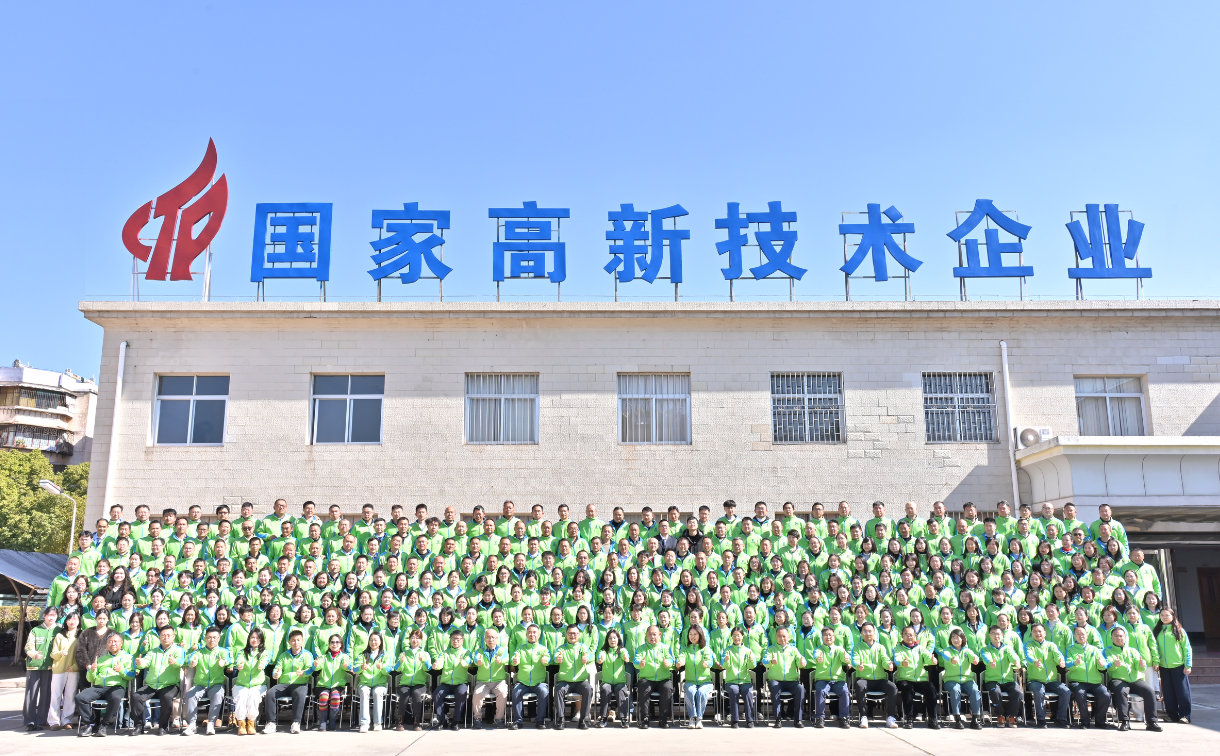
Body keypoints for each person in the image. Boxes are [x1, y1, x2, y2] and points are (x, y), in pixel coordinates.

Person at [74, 631, 134, 737]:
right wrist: (92, 670)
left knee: (115, 698)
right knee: (80, 697)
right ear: (107, 644)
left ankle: (104, 725)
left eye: (115, 641)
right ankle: (90, 724)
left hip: (116, 687)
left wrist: (121, 670)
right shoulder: (101, 659)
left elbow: (131, 676)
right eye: (110, 642)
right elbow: (90, 679)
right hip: (99, 686)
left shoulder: (128, 658)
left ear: (121, 643)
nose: (113, 644)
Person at [130, 625, 185, 735]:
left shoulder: (178, 650)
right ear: (159, 637)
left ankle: (163, 726)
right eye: (163, 635)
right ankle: (139, 726)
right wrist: (140, 663)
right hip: (152, 685)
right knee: (136, 697)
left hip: (169, 684)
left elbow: (181, 662)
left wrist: (175, 662)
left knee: (167, 697)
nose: (166, 637)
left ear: (173, 637)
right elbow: (145, 662)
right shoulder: (153, 652)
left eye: (168, 635)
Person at [1106, 627, 1162, 732]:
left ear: (1125, 637)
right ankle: (1125, 721)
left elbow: (1139, 667)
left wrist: (1142, 665)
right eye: (1116, 636)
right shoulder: (1107, 651)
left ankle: (1151, 722)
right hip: (1118, 679)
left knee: (1149, 691)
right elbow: (1107, 667)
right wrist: (1114, 665)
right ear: (1111, 637)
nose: (1119, 638)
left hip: (1135, 680)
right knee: (1121, 691)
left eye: (1121, 636)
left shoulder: (1132, 651)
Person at [265, 628, 314, 734]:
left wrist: (303, 673)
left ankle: (296, 723)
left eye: (298, 640)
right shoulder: (284, 655)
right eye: (293, 640)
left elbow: (310, 669)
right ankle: (271, 723)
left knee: (300, 694)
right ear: (289, 642)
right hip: (284, 684)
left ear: (302, 641)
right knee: (270, 693)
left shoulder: (307, 655)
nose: (296, 642)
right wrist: (276, 674)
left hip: (300, 684)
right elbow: (277, 668)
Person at [183, 626, 229, 736]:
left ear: (218, 638)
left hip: (216, 684)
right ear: (205, 639)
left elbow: (227, 659)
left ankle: (211, 723)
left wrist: (223, 662)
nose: (212, 640)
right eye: (209, 637)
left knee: (218, 695)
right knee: (189, 695)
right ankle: (192, 724)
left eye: (214, 637)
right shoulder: (198, 652)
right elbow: (190, 660)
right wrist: (192, 663)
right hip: (200, 684)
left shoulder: (223, 651)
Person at [1064, 625, 1112, 730]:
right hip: (1078, 682)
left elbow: (1103, 665)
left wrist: (1101, 665)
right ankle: (1085, 722)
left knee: (1106, 695)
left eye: (1082, 633)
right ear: (1074, 636)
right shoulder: (1070, 649)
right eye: (1078, 634)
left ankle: (1100, 721)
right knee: (1080, 694)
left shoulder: (1095, 649)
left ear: (1087, 635)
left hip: (1095, 682)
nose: (1081, 636)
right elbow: (1067, 665)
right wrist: (1075, 663)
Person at [852, 623, 898, 729]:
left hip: (879, 680)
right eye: (865, 631)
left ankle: (890, 717)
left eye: (870, 631)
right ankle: (863, 716)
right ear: (861, 633)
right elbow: (854, 661)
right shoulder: (857, 648)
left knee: (892, 687)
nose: (868, 633)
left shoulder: (880, 647)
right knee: (859, 685)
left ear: (874, 633)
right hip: (864, 679)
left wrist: (888, 665)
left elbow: (885, 660)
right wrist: (858, 666)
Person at [1024, 623, 1069, 728]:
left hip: (1051, 681)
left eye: (1040, 631)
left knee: (1066, 691)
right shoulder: (1028, 645)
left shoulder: (1051, 645)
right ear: (1032, 633)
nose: (1037, 633)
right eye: (1035, 631)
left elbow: (1058, 655)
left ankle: (1061, 718)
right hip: (1035, 680)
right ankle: (1041, 719)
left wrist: (1060, 661)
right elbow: (1028, 656)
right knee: (1039, 691)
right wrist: (1034, 662)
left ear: (1045, 633)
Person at [893, 625, 938, 729]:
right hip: (905, 679)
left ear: (915, 636)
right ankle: (909, 718)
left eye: (911, 635)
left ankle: (932, 718)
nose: (909, 637)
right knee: (907, 689)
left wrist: (932, 660)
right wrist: (902, 663)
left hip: (920, 679)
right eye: (906, 634)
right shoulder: (898, 649)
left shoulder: (921, 648)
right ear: (902, 636)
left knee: (931, 688)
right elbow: (896, 660)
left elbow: (927, 658)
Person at [23, 605, 59, 730]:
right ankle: (29, 721)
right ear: (44, 616)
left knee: (46, 695)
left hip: (50, 667)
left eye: (54, 615)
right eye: (49, 615)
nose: (51, 617)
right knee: (31, 695)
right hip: (34, 667)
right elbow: (28, 647)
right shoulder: (35, 630)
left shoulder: (59, 630)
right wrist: (34, 654)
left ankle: (41, 720)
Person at [938, 628, 982, 729]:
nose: (955, 640)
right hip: (951, 679)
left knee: (975, 690)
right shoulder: (947, 650)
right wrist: (951, 660)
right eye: (953, 637)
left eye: (957, 637)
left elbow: (973, 657)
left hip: (967, 679)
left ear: (962, 639)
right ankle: (957, 719)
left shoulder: (967, 651)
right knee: (955, 690)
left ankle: (975, 719)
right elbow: (946, 657)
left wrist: (975, 659)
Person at [553, 624, 594, 729]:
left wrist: (586, 658)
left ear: (579, 635)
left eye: (575, 633)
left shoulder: (583, 647)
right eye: (570, 633)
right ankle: (561, 719)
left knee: (588, 689)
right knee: (558, 689)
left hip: (580, 681)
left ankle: (583, 719)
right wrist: (557, 659)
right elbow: (555, 657)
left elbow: (588, 655)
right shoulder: (561, 648)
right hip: (565, 681)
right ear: (566, 635)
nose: (572, 636)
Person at [1155, 607, 1192, 723]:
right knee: (1168, 693)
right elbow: (1155, 648)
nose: (1164, 617)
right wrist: (1156, 662)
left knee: (1182, 692)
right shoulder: (1157, 631)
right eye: (1162, 615)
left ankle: (1185, 715)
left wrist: (1188, 664)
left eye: (1167, 615)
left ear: (1172, 616)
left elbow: (1186, 648)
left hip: (1178, 666)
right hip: (1164, 667)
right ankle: (1172, 716)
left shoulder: (1179, 630)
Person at [980, 625, 1023, 727]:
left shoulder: (1008, 648)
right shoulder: (985, 649)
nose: (996, 636)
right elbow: (986, 658)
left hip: (1008, 680)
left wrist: (1016, 661)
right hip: (993, 680)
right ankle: (1000, 715)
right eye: (993, 634)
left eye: (998, 634)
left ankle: (1011, 716)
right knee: (995, 692)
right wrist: (990, 662)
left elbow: (1013, 656)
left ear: (1002, 635)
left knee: (1018, 692)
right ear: (989, 636)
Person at [763, 626, 805, 728]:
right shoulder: (771, 649)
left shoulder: (794, 650)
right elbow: (765, 661)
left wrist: (802, 662)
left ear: (789, 637)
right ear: (775, 637)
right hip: (776, 680)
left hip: (792, 681)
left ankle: (798, 720)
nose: (782, 638)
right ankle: (778, 719)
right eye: (779, 636)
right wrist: (771, 661)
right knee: (774, 688)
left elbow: (800, 661)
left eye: (784, 636)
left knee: (800, 689)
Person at [511, 623, 551, 730]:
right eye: (529, 632)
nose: (532, 634)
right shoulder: (520, 649)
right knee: (515, 692)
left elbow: (548, 659)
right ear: (526, 634)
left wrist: (546, 661)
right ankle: (518, 721)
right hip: (523, 682)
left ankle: (540, 720)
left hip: (538, 682)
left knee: (544, 691)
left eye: (534, 632)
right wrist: (515, 661)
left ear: (539, 635)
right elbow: (515, 659)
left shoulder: (543, 649)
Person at [810, 626, 851, 729]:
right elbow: (816, 657)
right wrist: (818, 659)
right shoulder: (818, 650)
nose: (828, 637)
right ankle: (820, 718)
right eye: (825, 635)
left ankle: (844, 718)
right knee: (820, 691)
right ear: (822, 637)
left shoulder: (839, 649)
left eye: (830, 635)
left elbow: (845, 658)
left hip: (838, 680)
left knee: (845, 691)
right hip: (822, 679)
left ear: (834, 637)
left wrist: (846, 659)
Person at [634, 625, 675, 728]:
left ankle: (663, 719)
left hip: (663, 678)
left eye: (654, 634)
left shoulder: (666, 648)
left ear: (659, 635)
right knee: (643, 688)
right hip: (646, 678)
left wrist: (668, 663)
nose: (652, 637)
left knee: (668, 688)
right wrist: (640, 663)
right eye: (650, 634)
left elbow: (671, 660)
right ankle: (645, 719)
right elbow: (636, 661)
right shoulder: (641, 649)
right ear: (646, 635)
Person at [232, 628, 270, 736]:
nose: (255, 640)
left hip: (258, 685)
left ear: (261, 640)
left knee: (253, 695)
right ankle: (241, 723)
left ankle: (251, 723)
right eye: (252, 637)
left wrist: (261, 665)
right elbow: (239, 660)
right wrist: (240, 665)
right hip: (242, 684)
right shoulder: (242, 652)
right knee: (241, 696)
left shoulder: (264, 652)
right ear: (249, 639)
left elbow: (264, 661)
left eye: (258, 638)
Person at [48, 610, 81, 730]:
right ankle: (54, 721)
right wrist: (60, 653)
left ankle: (67, 720)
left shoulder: (80, 636)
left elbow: (81, 654)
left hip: (73, 670)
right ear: (66, 621)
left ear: (79, 622)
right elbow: (53, 654)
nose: (72, 621)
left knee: (70, 696)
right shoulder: (60, 636)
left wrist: (74, 667)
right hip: (59, 669)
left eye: (75, 619)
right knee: (55, 695)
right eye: (70, 619)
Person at [471, 627, 510, 729]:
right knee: (477, 694)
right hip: (483, 682)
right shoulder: (480, 651)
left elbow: (506, 658)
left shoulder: (502, 650)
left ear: (497, 638)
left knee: (503, 693)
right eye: (488, 637)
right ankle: (477, 718)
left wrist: (501, 660)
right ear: (484, 639)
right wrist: (478, 662)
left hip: (498, 682)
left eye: (493, 637)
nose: (491, 639)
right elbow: (476, 659)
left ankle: (499, 719)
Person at [432, 629, 471, 730]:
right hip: (446, 683)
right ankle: (442, 720)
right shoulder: (445, 653)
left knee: (462, 693)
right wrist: (436, 665)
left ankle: (455, 721)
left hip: (460, 683)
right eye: (453, 639)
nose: (455, 641)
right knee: (437, 693)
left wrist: (465, 663)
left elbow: (468, 661)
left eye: (458, 639)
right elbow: (440, 663)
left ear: (462, 640)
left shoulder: (466, 652)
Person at [395, 629, 431, 731]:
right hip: (405, 683)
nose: (415, 640)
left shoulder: (425, 654)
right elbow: (397, 669)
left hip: (419, 684)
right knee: (404, 693)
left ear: (421, 640)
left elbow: (428, 668)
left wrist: (423, 661)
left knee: (416, 693)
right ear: (409, 639)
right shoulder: (404, 653)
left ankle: (417, 721)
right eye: (413, 637)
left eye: (417, 638)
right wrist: (401, 662)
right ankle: (400, 721)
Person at [313, 633, 351, 732]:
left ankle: (332, 721)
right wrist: (315, 665)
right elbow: (317, 667)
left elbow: (347, 667)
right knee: (324, 696)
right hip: (323, 685)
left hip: (338, 685)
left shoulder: (344, 657)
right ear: (329, 644)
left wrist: (346, 666)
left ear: (341, 644)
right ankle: (322, 722)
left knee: (335, 697)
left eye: (337, 642)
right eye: (332, 642)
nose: (335, 644)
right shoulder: (323, 657)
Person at [354, 632, 390, 732]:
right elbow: (355, 669)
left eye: (376, 640)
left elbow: (388, 670)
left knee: (377, 692)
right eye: (371, 640)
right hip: (365, 683)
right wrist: (361, 667)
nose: (373, 642)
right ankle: (364, 723)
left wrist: (382, 667)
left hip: (380, 684)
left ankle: (377, 723)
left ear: (380, 642)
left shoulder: (385, 655)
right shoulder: (362, 655)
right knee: (364, 691)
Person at [679, 625, 714, 728]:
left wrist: (707, 663)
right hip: (690, 681)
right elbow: (681, 658)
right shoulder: (685, 649)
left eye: (695, 634)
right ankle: (692, 718)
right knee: (690, 691)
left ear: (700, 635)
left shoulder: (706, 649)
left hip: (705, 682)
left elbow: (710, 660)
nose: (692, 636)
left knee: (701, 692)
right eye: (690, 634)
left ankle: (699, 718)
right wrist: (680, 662)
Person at [596, 628, 631, 728]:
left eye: (614, 638)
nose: (612, 640)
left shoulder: (622, 650)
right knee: (605, 689)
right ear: (607, 640)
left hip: (620, 681)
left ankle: (624, 718)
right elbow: (600, 658)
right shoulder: (603, 651)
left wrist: (626, 658)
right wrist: (600, 660)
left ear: (618, 639)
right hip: (607, 681)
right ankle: (603, 718)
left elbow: (625, 656)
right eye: (610, 638)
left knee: (620, 690)